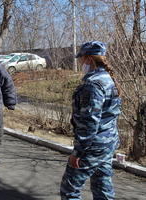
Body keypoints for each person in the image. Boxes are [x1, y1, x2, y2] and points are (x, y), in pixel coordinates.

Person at [60, 41, 122, 199]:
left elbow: (89, 123)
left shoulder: (93, 85)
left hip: (93, 146)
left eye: (81, 58)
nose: (80, 62)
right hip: (108, 143)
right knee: (103, 187)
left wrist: (78, 152)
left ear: (89, 59)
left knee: (70, 190)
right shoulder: (109, 80)